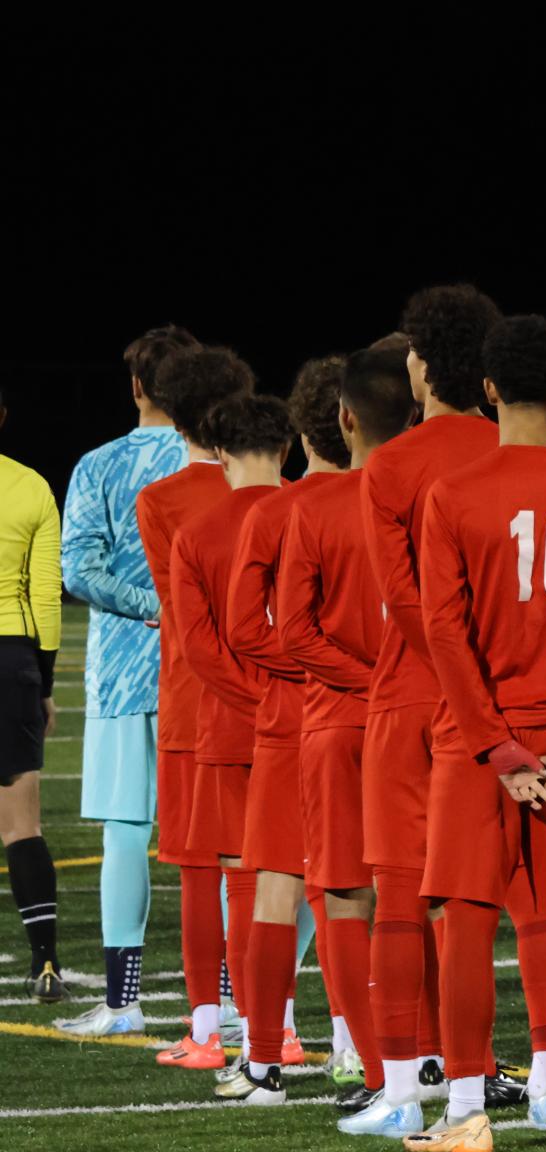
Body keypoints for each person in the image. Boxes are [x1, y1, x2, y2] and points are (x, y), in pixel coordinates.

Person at [401, 314, 546, 1152]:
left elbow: (443, 634)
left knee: (466, 918)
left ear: (486, 388)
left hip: (475, 740)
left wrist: (495, 749)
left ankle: (465, 1108)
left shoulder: (451, 493)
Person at [357, 284, 544, 1128]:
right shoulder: (525, 453)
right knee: (540, 900)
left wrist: (465, 688)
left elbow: (408, 605)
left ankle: (409, 1089)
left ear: (422, 365)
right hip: (527, 697)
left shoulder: (391, 465)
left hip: (417, 699)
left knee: (409, 897)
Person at [214, 363, 352, 1104]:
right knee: (367, 890)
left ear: (302, 432)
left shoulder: (274, 512)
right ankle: (373, 1054)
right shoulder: (391, 502)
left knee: (274, 889)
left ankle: (263, 1062)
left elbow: (244, 628)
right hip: (379, 719)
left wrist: (304, 671)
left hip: (290, 720)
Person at [56, 326, 199, 1030]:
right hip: (209, 672)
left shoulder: (99, 465)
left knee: (124, 830)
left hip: (121, 671)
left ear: (138, 387)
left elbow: (79, 569)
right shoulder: (226, 463)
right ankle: (235, 1000)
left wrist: (151, 607)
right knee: (224, 840)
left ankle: (123, 1002)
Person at [278, 345, 403, 1119]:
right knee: (428, 897)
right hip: (423, 723)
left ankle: (376, 1063)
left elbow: (292, 631)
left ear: (343, 421)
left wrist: (365, 682)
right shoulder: (430, 495)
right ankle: (463, 1063)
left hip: (337, 723)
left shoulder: (311, 509)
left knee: (346, 896)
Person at [169, 392, 290, 1094]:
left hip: (240, 730)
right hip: (325, 714)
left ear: (216, 451)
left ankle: (260, 1047)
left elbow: (201, 650)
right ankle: (355, 1044)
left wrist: (261, 700)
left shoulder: (200, 532)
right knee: (354, 888)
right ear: (289, 445)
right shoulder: (314, 508)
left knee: (249, 888)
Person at [139, 345, 252, 1068]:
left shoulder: (163, 501)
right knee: (261, 869)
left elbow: (171, 606)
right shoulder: (278, 491)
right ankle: (276, 1027)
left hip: (191, 701)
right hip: (269, 702)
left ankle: (207, 1031)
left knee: (197, 870)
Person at [0, 385, 65, 1001]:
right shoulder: (31, 486)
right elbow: (45, 594)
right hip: (11, 656)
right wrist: (42, 682)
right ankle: (45, 962)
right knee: (21, 822)